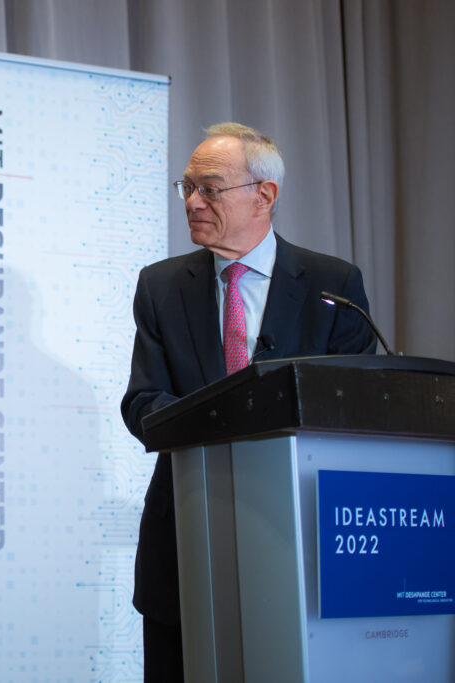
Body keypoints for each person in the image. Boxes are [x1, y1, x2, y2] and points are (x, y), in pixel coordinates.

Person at [121, 122, 376, 681]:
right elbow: (142, 402)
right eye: (186, 187)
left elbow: (355, 415)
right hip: (185, 540)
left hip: (303, 541)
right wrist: (227, 420)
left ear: (264, 195)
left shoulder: (332, 286)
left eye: (209, 188)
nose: (192, 202)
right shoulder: (161, 287)